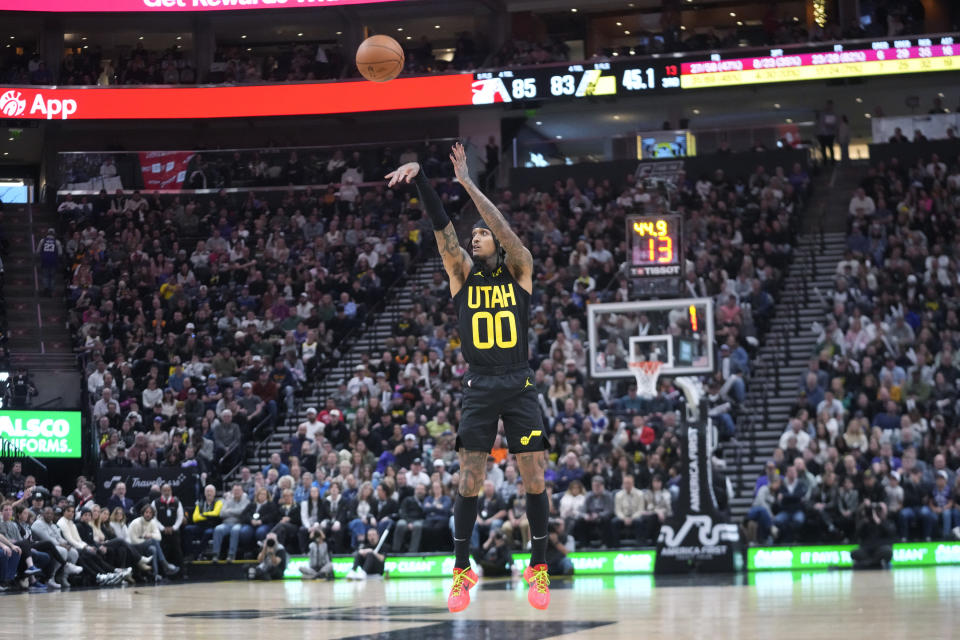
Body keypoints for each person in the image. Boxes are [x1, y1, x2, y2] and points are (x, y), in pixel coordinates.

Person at [386, 142, 550, 612]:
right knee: (469, 479)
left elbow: (504, 230)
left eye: (481, 234)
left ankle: (538, 567)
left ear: (496, 243)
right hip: (479, 383)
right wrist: (420, 179)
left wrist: (469, 185)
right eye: (473, 233)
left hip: (517, 380)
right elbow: (442, 229)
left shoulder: (519, 268)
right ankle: (462, 571)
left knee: (533, 475)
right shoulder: (461, 272)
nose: (475, 237)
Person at [128, 504, 179, 581]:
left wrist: (150, 535)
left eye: (150, 513)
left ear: (152, 514)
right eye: (146, 512)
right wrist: (147, 541)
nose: (148, 514)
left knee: (153, 549)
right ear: (143, 513)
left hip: (146, 545)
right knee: (153, 541)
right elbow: (133, 540)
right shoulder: (136, 523)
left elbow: (159, 537)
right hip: (134, 547)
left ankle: (155, 574)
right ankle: (165, 564)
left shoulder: (153, 522)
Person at [211, 484, 251, 561]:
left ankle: (231, 555)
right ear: (232, 491)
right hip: (226, 523)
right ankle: (215, 555)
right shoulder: (227, 501)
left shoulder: (246, 501)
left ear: (242, 491)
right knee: (217, 529)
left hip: (239, 523)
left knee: (235, 530)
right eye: (235, 490)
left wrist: (229, 511)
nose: (236, 492)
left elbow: (242, 512)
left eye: (238, 490)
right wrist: (235, 512)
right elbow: (222, 513)